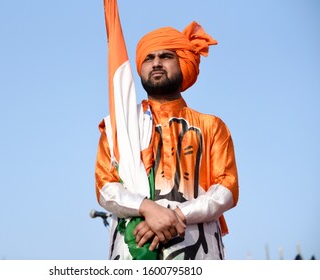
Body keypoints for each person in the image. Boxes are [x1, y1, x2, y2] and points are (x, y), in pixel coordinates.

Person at [95, 21, 239, 260]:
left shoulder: (212, 126)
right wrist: (147, 208)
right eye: (149, 58)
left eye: (166, 56)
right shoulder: (119, 127)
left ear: (183, 63)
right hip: (131, 252)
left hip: (198, 250)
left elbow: (227, 188)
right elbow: (105, 187)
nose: (156, 63)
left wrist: (176, 215)